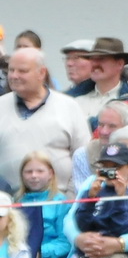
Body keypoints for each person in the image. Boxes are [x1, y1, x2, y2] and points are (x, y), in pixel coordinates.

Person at [0, 46, 91, 191]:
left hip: (58, 203)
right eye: (11, 70)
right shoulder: (1, 106)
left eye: (22, 71)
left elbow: (83, 158)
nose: (14, 76)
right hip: (7, 205)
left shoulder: (69, 106)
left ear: (41, 73)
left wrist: (70, 197)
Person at [71, 103, 128, 186]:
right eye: (101, 125)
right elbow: (83, 197)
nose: (104, 131)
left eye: (112, 126)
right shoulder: (84, 154)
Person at [76, 37, 128, 120]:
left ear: (120, 64)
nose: (95, 64)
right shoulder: (76, 99)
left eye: (101, 59)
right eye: (92, 59)